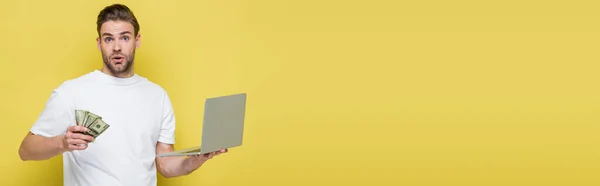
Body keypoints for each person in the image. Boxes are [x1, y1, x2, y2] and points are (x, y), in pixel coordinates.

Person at [18, 3, 227, 186]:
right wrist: (62, 143)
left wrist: (197, 159)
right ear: (99, 43)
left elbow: (164, 164)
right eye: (109, 39)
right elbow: (26, 150)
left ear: (137, 40)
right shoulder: (71, 91)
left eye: (124, 38)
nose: (117, 47)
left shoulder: (157, 96)